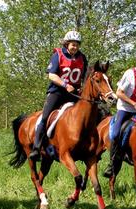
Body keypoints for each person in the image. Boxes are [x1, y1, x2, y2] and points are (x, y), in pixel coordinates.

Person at [28, 30, 88, 161]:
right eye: (73, 44)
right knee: (45, 117)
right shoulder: (58, 55)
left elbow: (85, 77)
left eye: (77, 45)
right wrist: (66, 84)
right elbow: (51, 75)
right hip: (57, 92)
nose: (75, 47)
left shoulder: (82, 58)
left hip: (74, 94)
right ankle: (37, 148)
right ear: (67, 44)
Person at [103, 48, 136, 177]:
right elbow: (119, 93)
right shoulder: (130, 74)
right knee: (114, 134)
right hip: (125, 109)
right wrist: (135, 104)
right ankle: (113, 164)